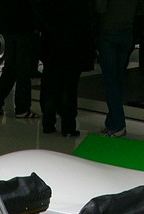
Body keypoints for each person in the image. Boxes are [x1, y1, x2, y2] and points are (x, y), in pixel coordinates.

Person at [37, 0, 90, 137]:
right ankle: (68, 126)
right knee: (69, 88)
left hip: (51, 45)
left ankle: (48, 123)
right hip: (73, 45)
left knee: (51, 86)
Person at [96, 0, 144, 137]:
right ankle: (112, 122)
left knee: (110, 79)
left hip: (109, 31)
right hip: (127, 31)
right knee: (118, 78)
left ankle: (118, 124)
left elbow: (100, 7)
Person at [0, 0, 39, 119]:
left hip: (7, 27)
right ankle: (22, 108)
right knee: (23, 70)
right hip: (23, 29)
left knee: (10, 68)